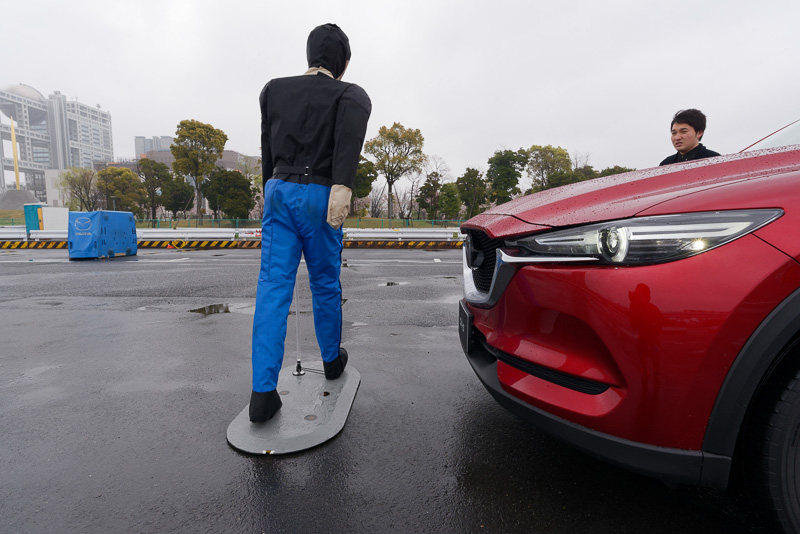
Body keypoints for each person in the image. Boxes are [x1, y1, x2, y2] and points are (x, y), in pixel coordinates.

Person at [249, 23, 372, 422]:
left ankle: (262, 394)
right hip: (322, 193)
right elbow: (348, 145)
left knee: (272, 288)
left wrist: (270, 192)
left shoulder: (272, 90)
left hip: (279, 191)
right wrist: (343, 187)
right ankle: (331, 361)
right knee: (324, 283)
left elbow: (268, 152)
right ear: (342, 62)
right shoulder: (350, 95)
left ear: (309, 53)